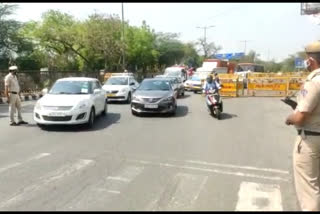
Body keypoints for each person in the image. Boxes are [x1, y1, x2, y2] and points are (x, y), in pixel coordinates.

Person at [285, 41, 320, 211]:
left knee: (309, 189)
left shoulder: (314, 81)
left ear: (311, 61)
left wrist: (290, 118)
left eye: (307, 59)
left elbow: (300, 117)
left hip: (312, 139)